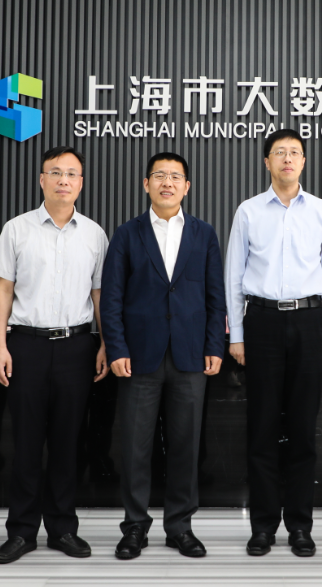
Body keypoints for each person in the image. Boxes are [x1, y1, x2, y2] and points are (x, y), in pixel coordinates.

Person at [101, 152, 226, 560]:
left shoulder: (204, 234)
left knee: (186, 446)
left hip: (191, 356)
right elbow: (112, 297)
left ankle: (180, 527)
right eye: (159, 176)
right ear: (146, 184)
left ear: (187, 186)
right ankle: (135, 527)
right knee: (135, 446)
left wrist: (214, 345)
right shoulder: (127, 234)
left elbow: (215, 297)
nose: (167, 183)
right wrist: (117, 347)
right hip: (139, 358)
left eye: (175, 177)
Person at [226, 128, 322, 558]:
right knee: (260, 428)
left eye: (295, 152)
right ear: (267, 162)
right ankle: (262, 527)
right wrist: (237, 335)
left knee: (302, 430)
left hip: (309, 322)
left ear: (304, 161)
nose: (288, 159)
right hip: (261, 322)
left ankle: (299, 526)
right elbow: (233, 277)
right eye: (280, 152)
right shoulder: (248, 211)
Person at [0, 146, 109, 563]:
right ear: (42, 180)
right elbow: (3, 291)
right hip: (26, 345)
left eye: (71, 174)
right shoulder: (17, 229)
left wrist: (105, 342)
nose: (63, 180)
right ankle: (21, 532)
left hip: (77, 346)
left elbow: (99, 294)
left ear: (81, 183)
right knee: (25, 443)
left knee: (67, 443)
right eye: (55, 172)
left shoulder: (94, 234)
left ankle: (62, 529)